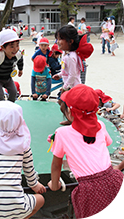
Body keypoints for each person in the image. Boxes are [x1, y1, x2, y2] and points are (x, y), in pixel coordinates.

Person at [47, 84, 124, 219]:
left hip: (89, 190)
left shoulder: (62, 133)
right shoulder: (101, 126)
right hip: (115, 180)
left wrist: (54, 184)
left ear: (70, 112)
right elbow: (98, 146)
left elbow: (56, 164)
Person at [0, 101, 46, 219]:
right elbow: (29, 170)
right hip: (13, 199)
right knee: (40, 200)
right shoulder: (23, 146)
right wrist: (34, 185)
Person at [52, 25, 93, 124]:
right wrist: (60, 75)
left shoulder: (70, 56)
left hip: (73, 87)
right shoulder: (67, 54)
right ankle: (71, 121)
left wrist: (65, 88)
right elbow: (67, 71)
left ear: (70, 41)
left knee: (64, 104)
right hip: (70, 86)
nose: (58, 41)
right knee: (65, 104)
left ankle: (74, 122)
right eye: (57, 38)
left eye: (61, 39)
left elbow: (73, 75)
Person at [0, 29, 24, 102]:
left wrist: (20, 69)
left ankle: (9, 106)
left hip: (8, 78)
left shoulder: (18, 54)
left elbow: (20, 60)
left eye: (17, 45)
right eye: (12, 46)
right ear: (3, 47)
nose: (15, 49)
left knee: (14, 92)